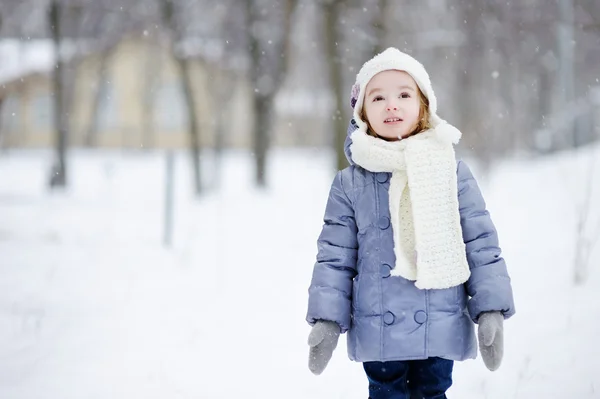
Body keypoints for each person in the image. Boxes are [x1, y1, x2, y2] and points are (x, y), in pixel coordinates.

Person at [305, 47, 515, 399]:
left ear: (423, 106)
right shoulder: (349, 183)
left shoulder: (452, 172)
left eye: (404, 95)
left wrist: (490, 308)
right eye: (378, 97)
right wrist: (327, 319)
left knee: (432, 392)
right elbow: (334, 258)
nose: (391, 105)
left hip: (440, 318)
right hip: (380, 324)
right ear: (362, 114)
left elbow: (480, 245)